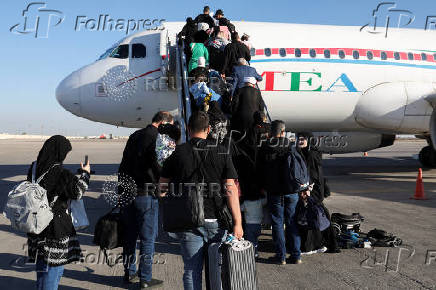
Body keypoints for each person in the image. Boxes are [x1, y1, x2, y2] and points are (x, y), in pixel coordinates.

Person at [159, 111, 243, 290]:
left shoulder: (177, 153)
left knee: (191, 270)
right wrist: (238, 223)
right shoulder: (221, 151)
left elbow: (161, 189)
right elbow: (231, 189)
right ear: (209, 129)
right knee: (218, 270)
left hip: (189, 221)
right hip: (217, 221)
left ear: (188, 129)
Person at [26, 135, 91, 290]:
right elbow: (77, 192)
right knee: (53, 270)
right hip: (54, 228)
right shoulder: (61, 173)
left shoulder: (34, 168)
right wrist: (86, 174)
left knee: (42, 268)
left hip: (36, 225)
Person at [119, 111, 173, 289]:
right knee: (148, 238)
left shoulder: (135, 135)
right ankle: (145, 278)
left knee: (129, 236)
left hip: (127, 193)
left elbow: (124, 164)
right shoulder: (158, 139)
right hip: (146, 194)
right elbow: (160, 168)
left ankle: (129, 273)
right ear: (164, 123)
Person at [256, 121, 304, 265]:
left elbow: (259, 170)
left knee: (277, 223)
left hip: (274, 191)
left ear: (271, 132)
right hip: (291, 190)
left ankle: (281, 256)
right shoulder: (291, 146)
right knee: (291, 222)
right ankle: (296, 255)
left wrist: (263, 186)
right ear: (283, 132)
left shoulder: (265, 146)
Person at [296, 132, 340, 254]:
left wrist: (308, 188)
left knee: (311, 216)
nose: (300, 141)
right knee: (320, 215)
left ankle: (311, 246)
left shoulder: (311, 155)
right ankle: (328, 244)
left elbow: (313, 174)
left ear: (309, 140)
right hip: (315, 189)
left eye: (303, 139)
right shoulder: (311, 152)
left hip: (312, 190)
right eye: (298, 139)